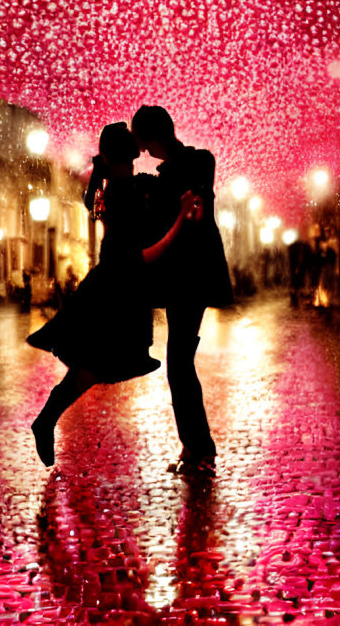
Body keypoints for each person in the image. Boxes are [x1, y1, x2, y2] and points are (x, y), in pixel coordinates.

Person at [27, 123, 200, 467]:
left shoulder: (118, 189)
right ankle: (45, 419)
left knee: (91, 364)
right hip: (119, 289)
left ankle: (46, 419)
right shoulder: (127, 194)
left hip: (112, 285)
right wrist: (180, 219)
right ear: (134, 153)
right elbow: (143, 255)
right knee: (93, 364)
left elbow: (99, 209)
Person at [131, 105, 234, 475]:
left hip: (190, 277)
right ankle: (195, 448)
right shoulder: (169, 174)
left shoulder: (195, 163)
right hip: (183, 279)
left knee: (178, 363)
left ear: (152, 138)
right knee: (180, 362)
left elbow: (191, 209)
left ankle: (199, 449)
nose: (144, 153)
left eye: (143, 144)